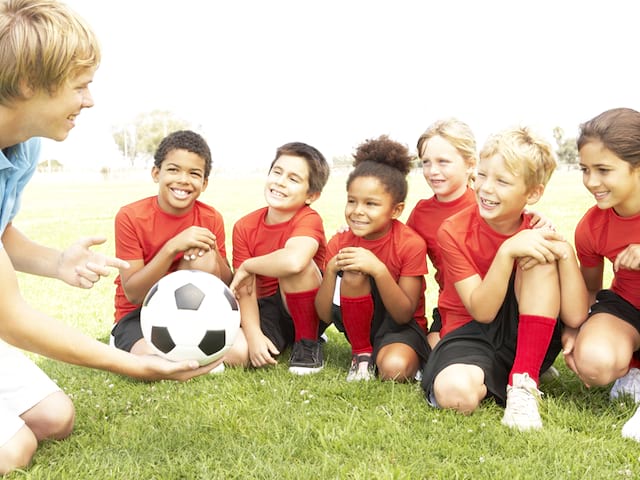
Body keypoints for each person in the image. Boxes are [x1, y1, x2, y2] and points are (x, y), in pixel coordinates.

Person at [0, 0, 218, 474]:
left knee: (54, 417)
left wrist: (57, 262)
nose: (91, 100)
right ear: (25, 85)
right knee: (13, 448)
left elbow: (2, 234)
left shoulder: (22, 147)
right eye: (80, 86)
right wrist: (134, 364)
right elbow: (10, 318)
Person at [421, 126, 587, 431]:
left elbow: (576, 315)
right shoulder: (453, 230)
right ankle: (508, 370)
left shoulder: (537, 230)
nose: (486, 188)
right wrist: (507, 250)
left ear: (533, 193)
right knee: (456, 394)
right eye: (482, 175)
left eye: (502, 181)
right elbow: (481, 311)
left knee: (537, 255)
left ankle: (524, 383)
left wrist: (565, 254)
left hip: (523, 328)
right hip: (470, 333)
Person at [315, 135, 430, 382]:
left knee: (394, 369)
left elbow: (403, 315)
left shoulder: (410, 244)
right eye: (352, 201)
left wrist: (378, 269)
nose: (358, 211)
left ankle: (405, 358)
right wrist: (332, 270)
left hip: (400, 328)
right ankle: (361, 356)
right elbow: (324, 315)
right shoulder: (340, 242)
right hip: (360, 326)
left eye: (371, 204)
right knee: (354, 270)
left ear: (396, 210)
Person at [111, 130, 232, 359]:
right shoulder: (130, 216)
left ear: (204, 183)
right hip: (138, 313)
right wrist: (172, 247)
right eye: (173, 170)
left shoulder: (211, 218)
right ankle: (126, 341)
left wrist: (213, 251)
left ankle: (190, 344)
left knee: (240, 354)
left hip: (194, 315)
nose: (183, 180)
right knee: (153, 360)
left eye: (194, 173)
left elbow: (225, 284)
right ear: (156, 173)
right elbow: (134, 294)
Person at [562, 107, 640, 441]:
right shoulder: (592, 226)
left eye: (603, 170)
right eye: (585, 170)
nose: (591, 182)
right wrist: (573, 330)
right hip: (627, 307)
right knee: (592, 362)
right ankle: (632, 370)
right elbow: (591, 291)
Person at [226, 142, 330, 374]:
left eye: (293, 179)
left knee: (295, 268)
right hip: (266, 309)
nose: (280, 182)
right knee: (237, 354)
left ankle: (307, 342)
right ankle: (283, 338)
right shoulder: (244, 226)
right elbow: (245, 288)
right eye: (277, 172)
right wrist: (254, 337)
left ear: (311, 195)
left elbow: (294, 261)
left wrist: (249, 264)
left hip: (309, 304)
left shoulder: (308, 219)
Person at [406, 118, 477, 349]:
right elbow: (397, 247)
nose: (432, 171)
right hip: (451, 309)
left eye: (443, 162)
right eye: (426, 162)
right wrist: (354, 231)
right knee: (433, 349)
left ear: (470, 164)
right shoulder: (421, 213)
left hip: (494, 307)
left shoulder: (487, 204)